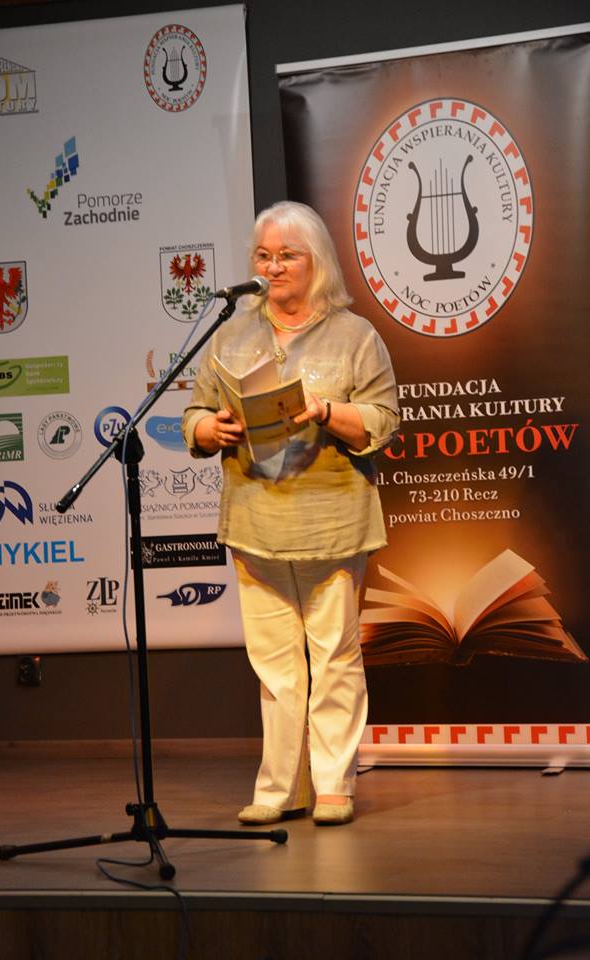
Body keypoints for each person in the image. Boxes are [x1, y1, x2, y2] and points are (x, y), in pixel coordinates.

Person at [182, 201, 399, 826]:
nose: (272, 267)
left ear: (316, 261)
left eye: (286, 256)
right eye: (263, 255)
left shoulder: (355, 336)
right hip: (256, 521)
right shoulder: (230, 334)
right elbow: (194, 415)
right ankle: (281, 788)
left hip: (332, 522)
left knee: (333, 657)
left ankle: (333, 786)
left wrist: (326, 411)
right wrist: (208, 430)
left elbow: (383, 421)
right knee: (275, 666)